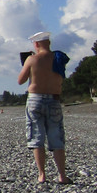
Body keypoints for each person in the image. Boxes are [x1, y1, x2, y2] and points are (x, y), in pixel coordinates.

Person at [17, 31, 70, 184]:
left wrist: (28, 62)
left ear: (36, 44)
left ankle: (42, 174)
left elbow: (21, 80)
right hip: (53, 98)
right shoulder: (59, 59)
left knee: (37, 137)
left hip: (35, 99)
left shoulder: (32, 59)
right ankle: (61, 175)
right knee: (56, 137)